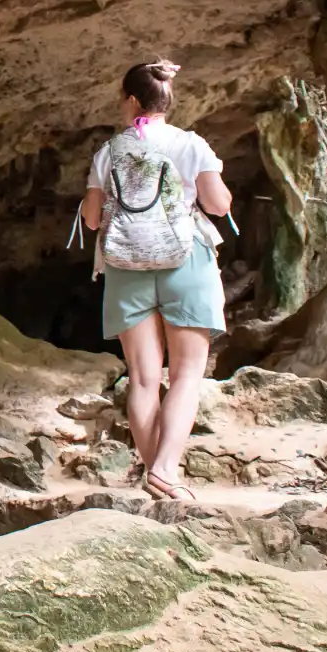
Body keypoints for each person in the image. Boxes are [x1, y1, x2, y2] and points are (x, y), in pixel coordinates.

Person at [80, 60, 231, 502]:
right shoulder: (191, 144)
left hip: (127, 268)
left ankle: (157, 477)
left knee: (144, 380)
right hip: (187, 262)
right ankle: (165, 470)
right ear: (168, 98)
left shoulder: (108, 153)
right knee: (186, 375)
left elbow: (91, 219)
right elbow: (218, 205)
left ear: (131, 101)